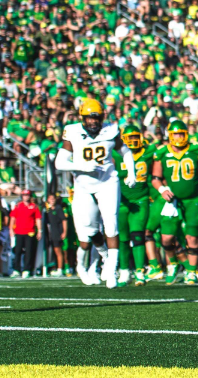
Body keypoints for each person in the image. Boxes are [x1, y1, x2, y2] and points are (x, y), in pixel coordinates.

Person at [56, 98, 136, 287]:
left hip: (107, 182)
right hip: (83, 186)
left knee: (111, 224)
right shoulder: (73, 131)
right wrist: (82, 166)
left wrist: (131, 172)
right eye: (89, 118)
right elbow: (60, 163)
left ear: (102, 117)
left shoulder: (110, 130)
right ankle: (100, 258)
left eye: (96, 118)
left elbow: (126, 152)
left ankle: (111, 268)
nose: (93, 122)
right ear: (82, 117)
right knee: (90, 231)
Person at [151, 119, 198, 285]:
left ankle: (191, 271)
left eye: (182, 133)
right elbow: (155, 178)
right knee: (166, 238)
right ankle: (173, 264)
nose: (179, 137)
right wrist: (162, 190)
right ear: (170, 135)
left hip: (193, 200)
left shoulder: (195, 150)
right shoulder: (161, 153)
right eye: (176, 134)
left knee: (192, 237)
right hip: (172, 201)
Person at [116, 125, 153, 286]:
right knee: (122, 238)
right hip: (121, 201)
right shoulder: (115, 154)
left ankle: (139, 270)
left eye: (135, 137)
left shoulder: (149, 152)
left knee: (137, 235)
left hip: (141, 199)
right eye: (129, 137)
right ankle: (124, 270)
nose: (133, 140)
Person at [9, 189, 41, 278]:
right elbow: (13, 217)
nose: (25, 197)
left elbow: (38, 219)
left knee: (29, 251)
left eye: (27, 195)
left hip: (30, 232)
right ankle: (17, 269)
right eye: (24, 195)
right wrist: (11, 228)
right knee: (18, 250)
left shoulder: (34, 206)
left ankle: (27, 269)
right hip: (19, 231)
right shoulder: (18, 206)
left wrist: (39, 230)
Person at [42, 193, 67, 275]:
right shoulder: (48, 210)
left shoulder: (58, 208)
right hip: (51, 233)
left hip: (57, 232)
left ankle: (60, 269)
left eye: (53, 199)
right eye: (50, 199)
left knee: (58, 251)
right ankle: (55, 267)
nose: (52, 201)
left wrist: (64, 232)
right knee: (53, 251)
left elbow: (64, 220)